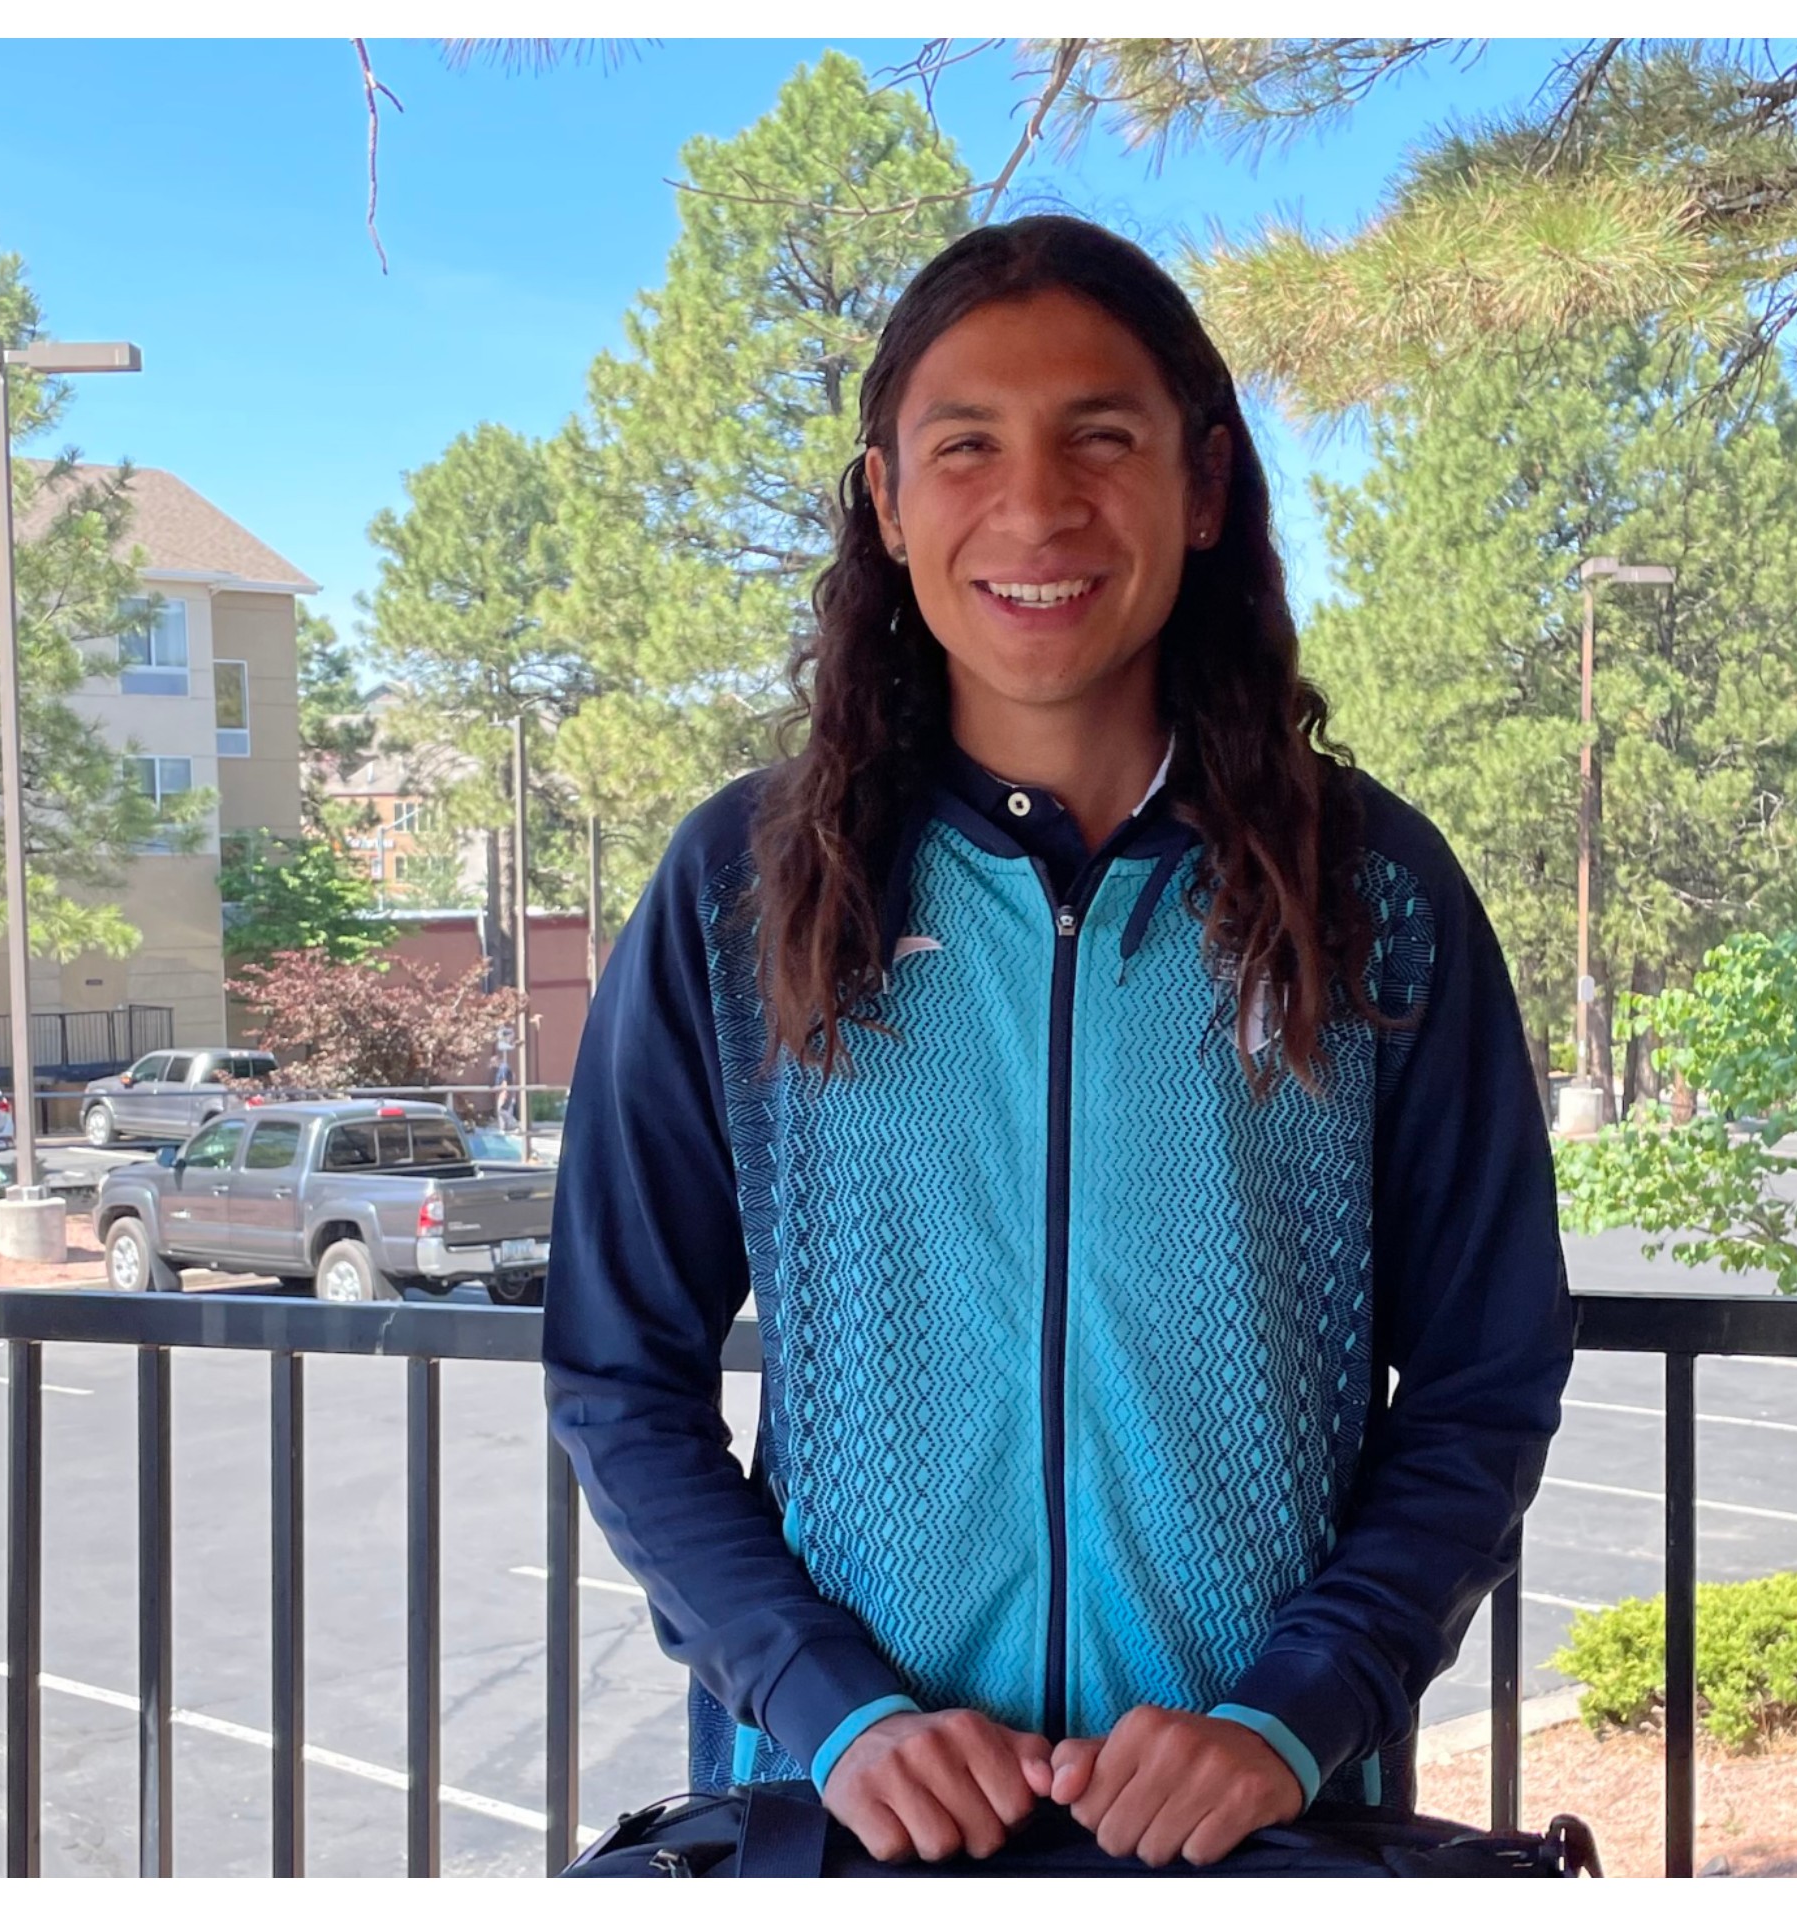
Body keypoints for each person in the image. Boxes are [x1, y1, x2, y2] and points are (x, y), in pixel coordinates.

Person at [544, 213, 1574, 1872]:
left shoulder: (1369, 891)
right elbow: (618, 1372)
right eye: (966, 446)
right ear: (887, 500)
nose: (1035, 506)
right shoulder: (744, 886)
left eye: (1102, 436)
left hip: (1255, 1835)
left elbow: (1483, 1379)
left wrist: (1293, 1713)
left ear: (1205, 484)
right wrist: (827, 1704)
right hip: (848, 1824)